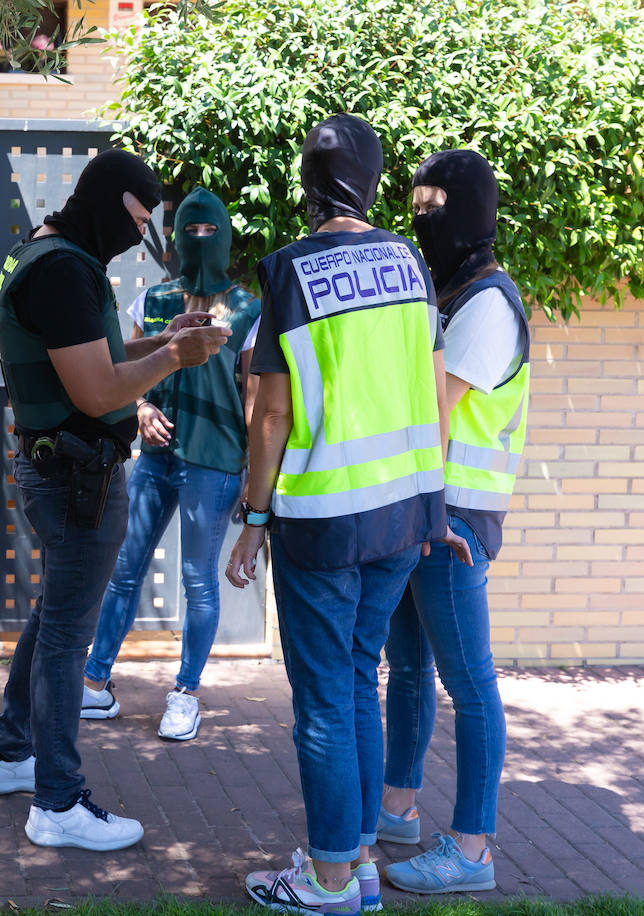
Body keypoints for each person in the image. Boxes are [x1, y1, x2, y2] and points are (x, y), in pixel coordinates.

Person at [224, 114, 470, 914]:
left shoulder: (291, 269)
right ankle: (357, 859)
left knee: (327, 695)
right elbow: (436, 394)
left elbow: (269, 414)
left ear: (309, 183)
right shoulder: (408, 260)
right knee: (359, 680)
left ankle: (329, 877)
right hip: (402, 516)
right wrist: (435, 503)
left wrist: (255, 517)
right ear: (370, 181)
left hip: (325, 523)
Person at [0, 149, 232, 851]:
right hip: (74, 477)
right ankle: (56, 802)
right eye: (138, 220)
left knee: (53, 616)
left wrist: (163, 338)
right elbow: (96, 390)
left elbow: (97, 354)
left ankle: (7, 755)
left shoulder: (44, 251)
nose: (140, 236)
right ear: (110, 202)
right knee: (65, 638)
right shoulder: (63, 271)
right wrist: (175, 359)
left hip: (58, 469)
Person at [378, 149, 528, 895]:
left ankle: (472, 850)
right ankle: (397, 808)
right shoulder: (451, 293)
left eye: (435, 205)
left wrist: (430, 514)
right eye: (416, 204)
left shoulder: (487, 304)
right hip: (425, 512)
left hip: (453, 521)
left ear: (470, 210)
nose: (421, 218)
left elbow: (436, 415)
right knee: (407, 669)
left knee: (471, 685)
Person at [80, 187, 261, 740]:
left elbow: (253, 395)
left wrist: (256, 473)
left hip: (216, 461)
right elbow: (122, 369)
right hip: (157, 458)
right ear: (175, 236)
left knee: (198, 581)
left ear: (226, 235)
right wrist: (138, 409)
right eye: (189, 229)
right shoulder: (152, 301)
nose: (199, 240)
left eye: (210, 230)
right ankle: (93, 684)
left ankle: (185, 692)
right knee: (124, 568)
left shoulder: (249, 308)